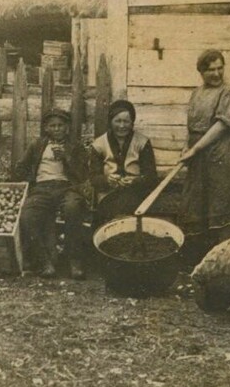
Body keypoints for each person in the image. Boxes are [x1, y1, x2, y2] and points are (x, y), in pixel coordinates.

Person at [178, 49, 230, 248]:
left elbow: (221, 126)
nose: (217, 74)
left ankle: (225, 257)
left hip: (222, 155)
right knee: (198, 204)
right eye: (211, 70)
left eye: (220, 68)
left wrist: (195, 148)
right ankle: (201, 259)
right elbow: (192, 126)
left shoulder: (228, 93)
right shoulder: (197, 92)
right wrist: (186, 147)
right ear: (201, 72)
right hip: (200, 156)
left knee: (222, 204)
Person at [14, 108, 88, 279]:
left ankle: (74, 260)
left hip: (66, 187)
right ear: (46, 128)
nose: (56, 129)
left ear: (67, 128)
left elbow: (83, 174)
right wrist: (29, 181)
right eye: (52, 126)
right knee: (27, 215)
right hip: (42, 188)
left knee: (73, 207)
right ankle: (43, 261)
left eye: (60, 126)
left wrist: (67, 157)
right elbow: (21, 167)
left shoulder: (75, 147)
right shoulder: (38, 145)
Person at [89, 99, 158, 227]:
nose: (122, 126)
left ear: (132, 123)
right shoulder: (99, 144)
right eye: (117, 121)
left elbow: (151, 176)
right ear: (110, 122)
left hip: (135, 192)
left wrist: (135, 181)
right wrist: (107, 179)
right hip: (108, 193)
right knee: (109, 212)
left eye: (126, 121)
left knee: (126, 208)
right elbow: (93, 177)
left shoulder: (142, 142)